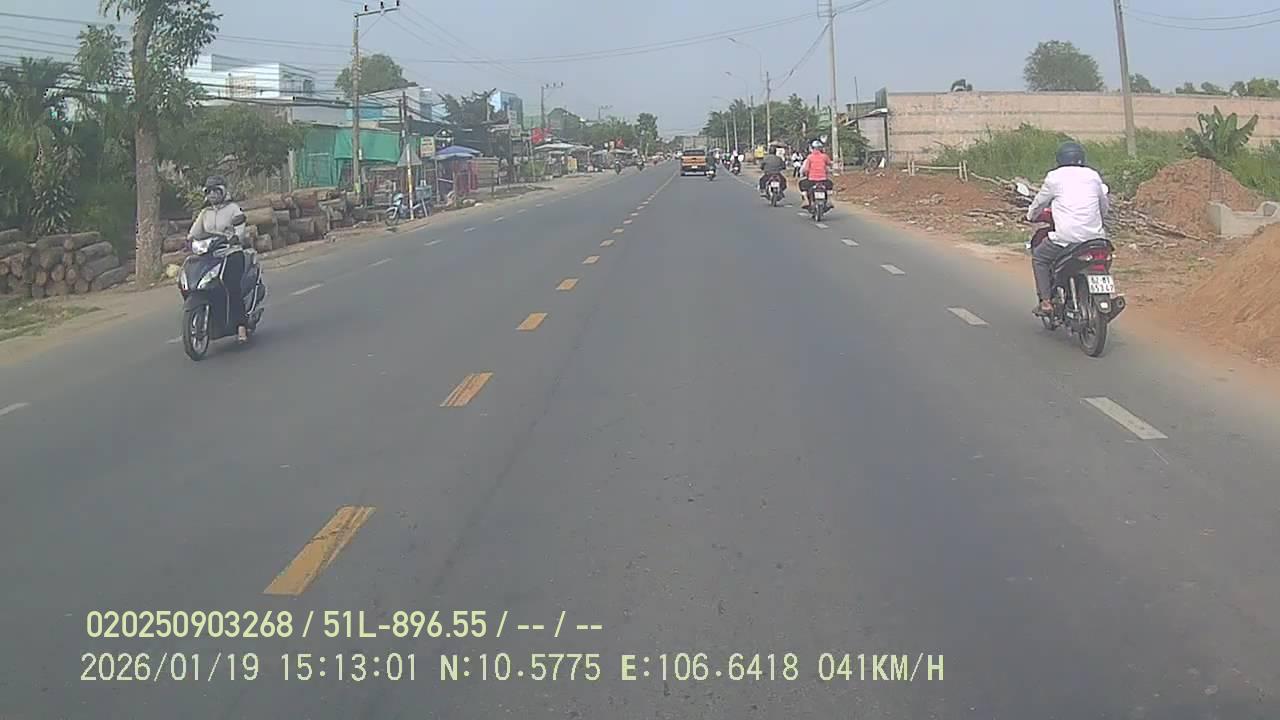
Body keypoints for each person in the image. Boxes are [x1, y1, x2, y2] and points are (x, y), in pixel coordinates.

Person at [1025, 141, 1110, 316]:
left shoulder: (1054, 177)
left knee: (1040, 258)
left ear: (1059, 159)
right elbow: (1103, 205)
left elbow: (1040, 202)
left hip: (1066, 239)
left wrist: (1031, 215)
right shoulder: (1093, 175)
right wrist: (1100, 218)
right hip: (1095, 239)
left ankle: (1046, 301)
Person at [187, 175, 250, 342]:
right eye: (209, 192)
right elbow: (195, 232)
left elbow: (240, 228)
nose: (213, 195)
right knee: (199, 282)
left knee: (231, 287)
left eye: (216, 191)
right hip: (210, 255)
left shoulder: (233, 209)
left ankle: (241, 326)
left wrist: (236, 237)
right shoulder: (205, 212)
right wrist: (187, 240)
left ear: (223, 192)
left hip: (231, 253)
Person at [798, 140, 833, 209]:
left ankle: (806, 200)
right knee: (830, 185)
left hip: (812, 179)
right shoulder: (824, 156)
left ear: (812, 148)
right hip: (823, 179)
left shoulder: (809, 157)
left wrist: (806, 174)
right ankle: (829, 200)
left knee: (802, 184)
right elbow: (829, 164)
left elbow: (806, 169)